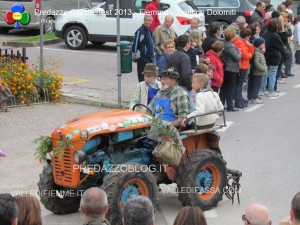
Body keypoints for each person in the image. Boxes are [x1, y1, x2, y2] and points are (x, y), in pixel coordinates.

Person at [261, 18, 285, 97]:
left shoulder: (265, 33)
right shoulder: (275, 36)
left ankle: (263, 90)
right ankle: (271, 91)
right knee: (272, 74)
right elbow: (281, 46)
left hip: (266, 55)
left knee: (265, 74)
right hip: (274, 56)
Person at [220, 29, 241, 112]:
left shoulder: (224, 44)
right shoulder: (230, 46)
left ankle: (222, 104)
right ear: (232, 37)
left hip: (226, 67)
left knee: (224, 87)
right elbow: (237, 57)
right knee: (230, 88)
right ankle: (230, 106)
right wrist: (240, 53)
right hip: (231, 68)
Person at [233, 27, 254, 108]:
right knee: (239, 84)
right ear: (247, 36)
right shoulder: (240, 43)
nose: (249, 38)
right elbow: (246, 56)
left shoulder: (243, 42)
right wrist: (250, 52)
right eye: (249, 36)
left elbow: (250, 53)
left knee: (240, 84)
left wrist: (250, 47)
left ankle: (239, 99)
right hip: (242, 66)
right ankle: (238, 101)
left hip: (244, 65)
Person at [132, 14, 155, 82]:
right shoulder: (140, 31)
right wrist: (134, 56)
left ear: (151, 21)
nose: (147, 22)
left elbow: (152, 44)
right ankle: (142, 91)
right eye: (146, 20)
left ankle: (146, 91)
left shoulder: (149, 30)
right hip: (142, 58)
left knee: (149, 78)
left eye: (149, 20)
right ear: (144, 20)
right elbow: (135, 44)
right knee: (142, 78)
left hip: (149, 58)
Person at [248, 37, 267, 104]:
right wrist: (263, 68)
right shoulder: (257, 52)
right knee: (257, 85)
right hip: (257, 72)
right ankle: (254, 97)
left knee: (255, 84)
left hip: (258, 71)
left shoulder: (259, 51)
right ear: (259, 44)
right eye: (263, 43)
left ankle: (252, 96)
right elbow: (257, 63)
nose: (264, 44)